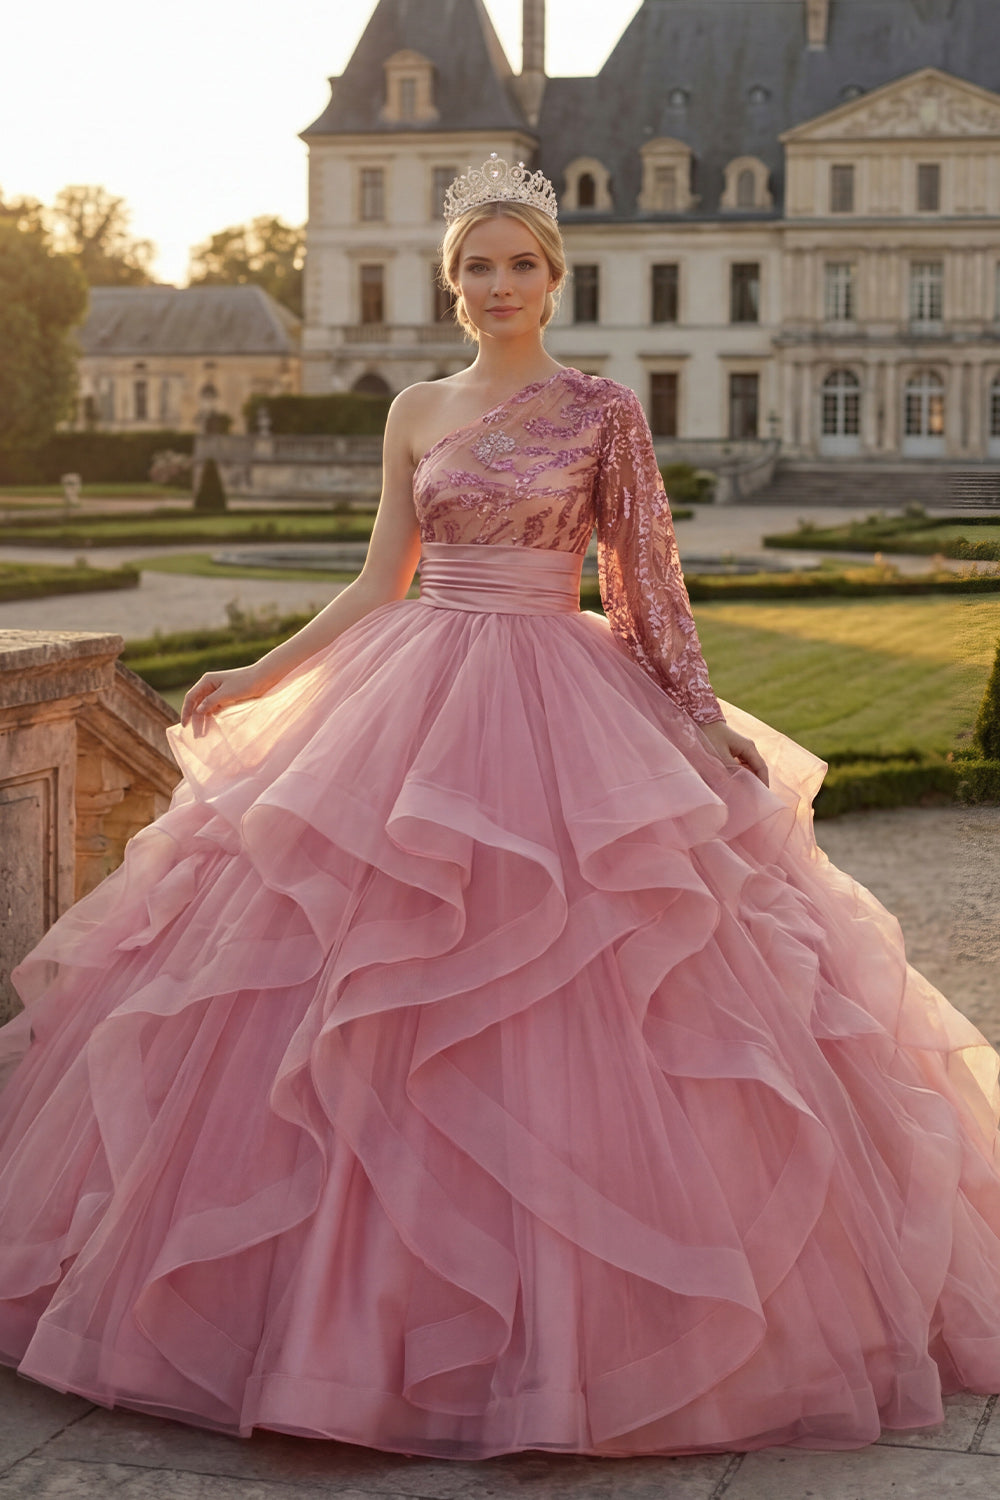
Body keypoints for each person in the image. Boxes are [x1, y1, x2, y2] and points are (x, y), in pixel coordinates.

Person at [0, 156, 999, 1463]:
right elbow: (380, 580)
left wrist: (697, 720)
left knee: (583, 986)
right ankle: (330, 1333)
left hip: (560, 697)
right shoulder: (414, 409)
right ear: (452, 283)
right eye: (478, 266)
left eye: (520, 264)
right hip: (411, 696)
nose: (498, 284)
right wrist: (260, 674)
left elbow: (645, 585)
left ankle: (574, 1343)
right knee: (356, 984)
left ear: (553, 279)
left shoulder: (603, 412)